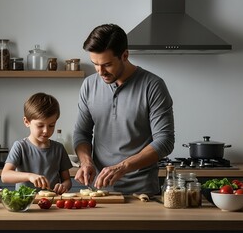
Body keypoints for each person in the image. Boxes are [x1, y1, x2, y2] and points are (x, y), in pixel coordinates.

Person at [73, 24, 175, 195]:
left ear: (125, 55)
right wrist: (86, 162)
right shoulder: (89, 85)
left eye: (107, 64)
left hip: (142, 193)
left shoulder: (153, 86)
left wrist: (122, 167)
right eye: (95, 64)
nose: (100, 72)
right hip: (99, 192)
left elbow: (164, 140)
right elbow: (81, 134)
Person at [1, 92, 72, 194]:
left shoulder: (59, 149)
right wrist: (30, 176)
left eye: (51, 125)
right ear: (26, 122)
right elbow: (5, 176)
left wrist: (63, 186)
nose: (46, 131)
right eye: (40, 125)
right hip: (25, 206)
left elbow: (67, 180)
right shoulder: (20, 147)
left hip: (52, 205)